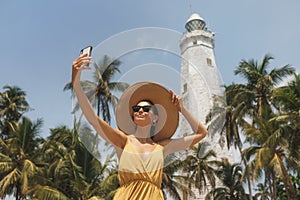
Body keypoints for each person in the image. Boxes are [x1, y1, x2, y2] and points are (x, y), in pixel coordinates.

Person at [72, 53, 208, 200]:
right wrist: (76, 84)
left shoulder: (163, 147)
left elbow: (201, 133)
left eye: (146, 108)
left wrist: (181, 109)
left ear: (155, 117)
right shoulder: (123, 141)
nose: (140, 110)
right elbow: (93, 119)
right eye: (136, 109)